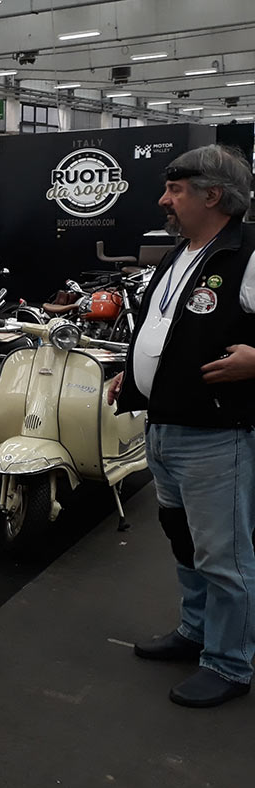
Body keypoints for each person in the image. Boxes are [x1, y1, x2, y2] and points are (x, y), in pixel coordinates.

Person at [107, 144, 255, 709]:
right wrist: (133, 372)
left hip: (217, 434)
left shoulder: (248, 254)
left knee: (225, 557)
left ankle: (229, 661)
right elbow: (163, 326)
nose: (163, 200)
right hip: (164, 426)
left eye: (175, 190)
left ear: (212, 195)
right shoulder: (180, 254)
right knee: (185, 542)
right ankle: (196, 631)